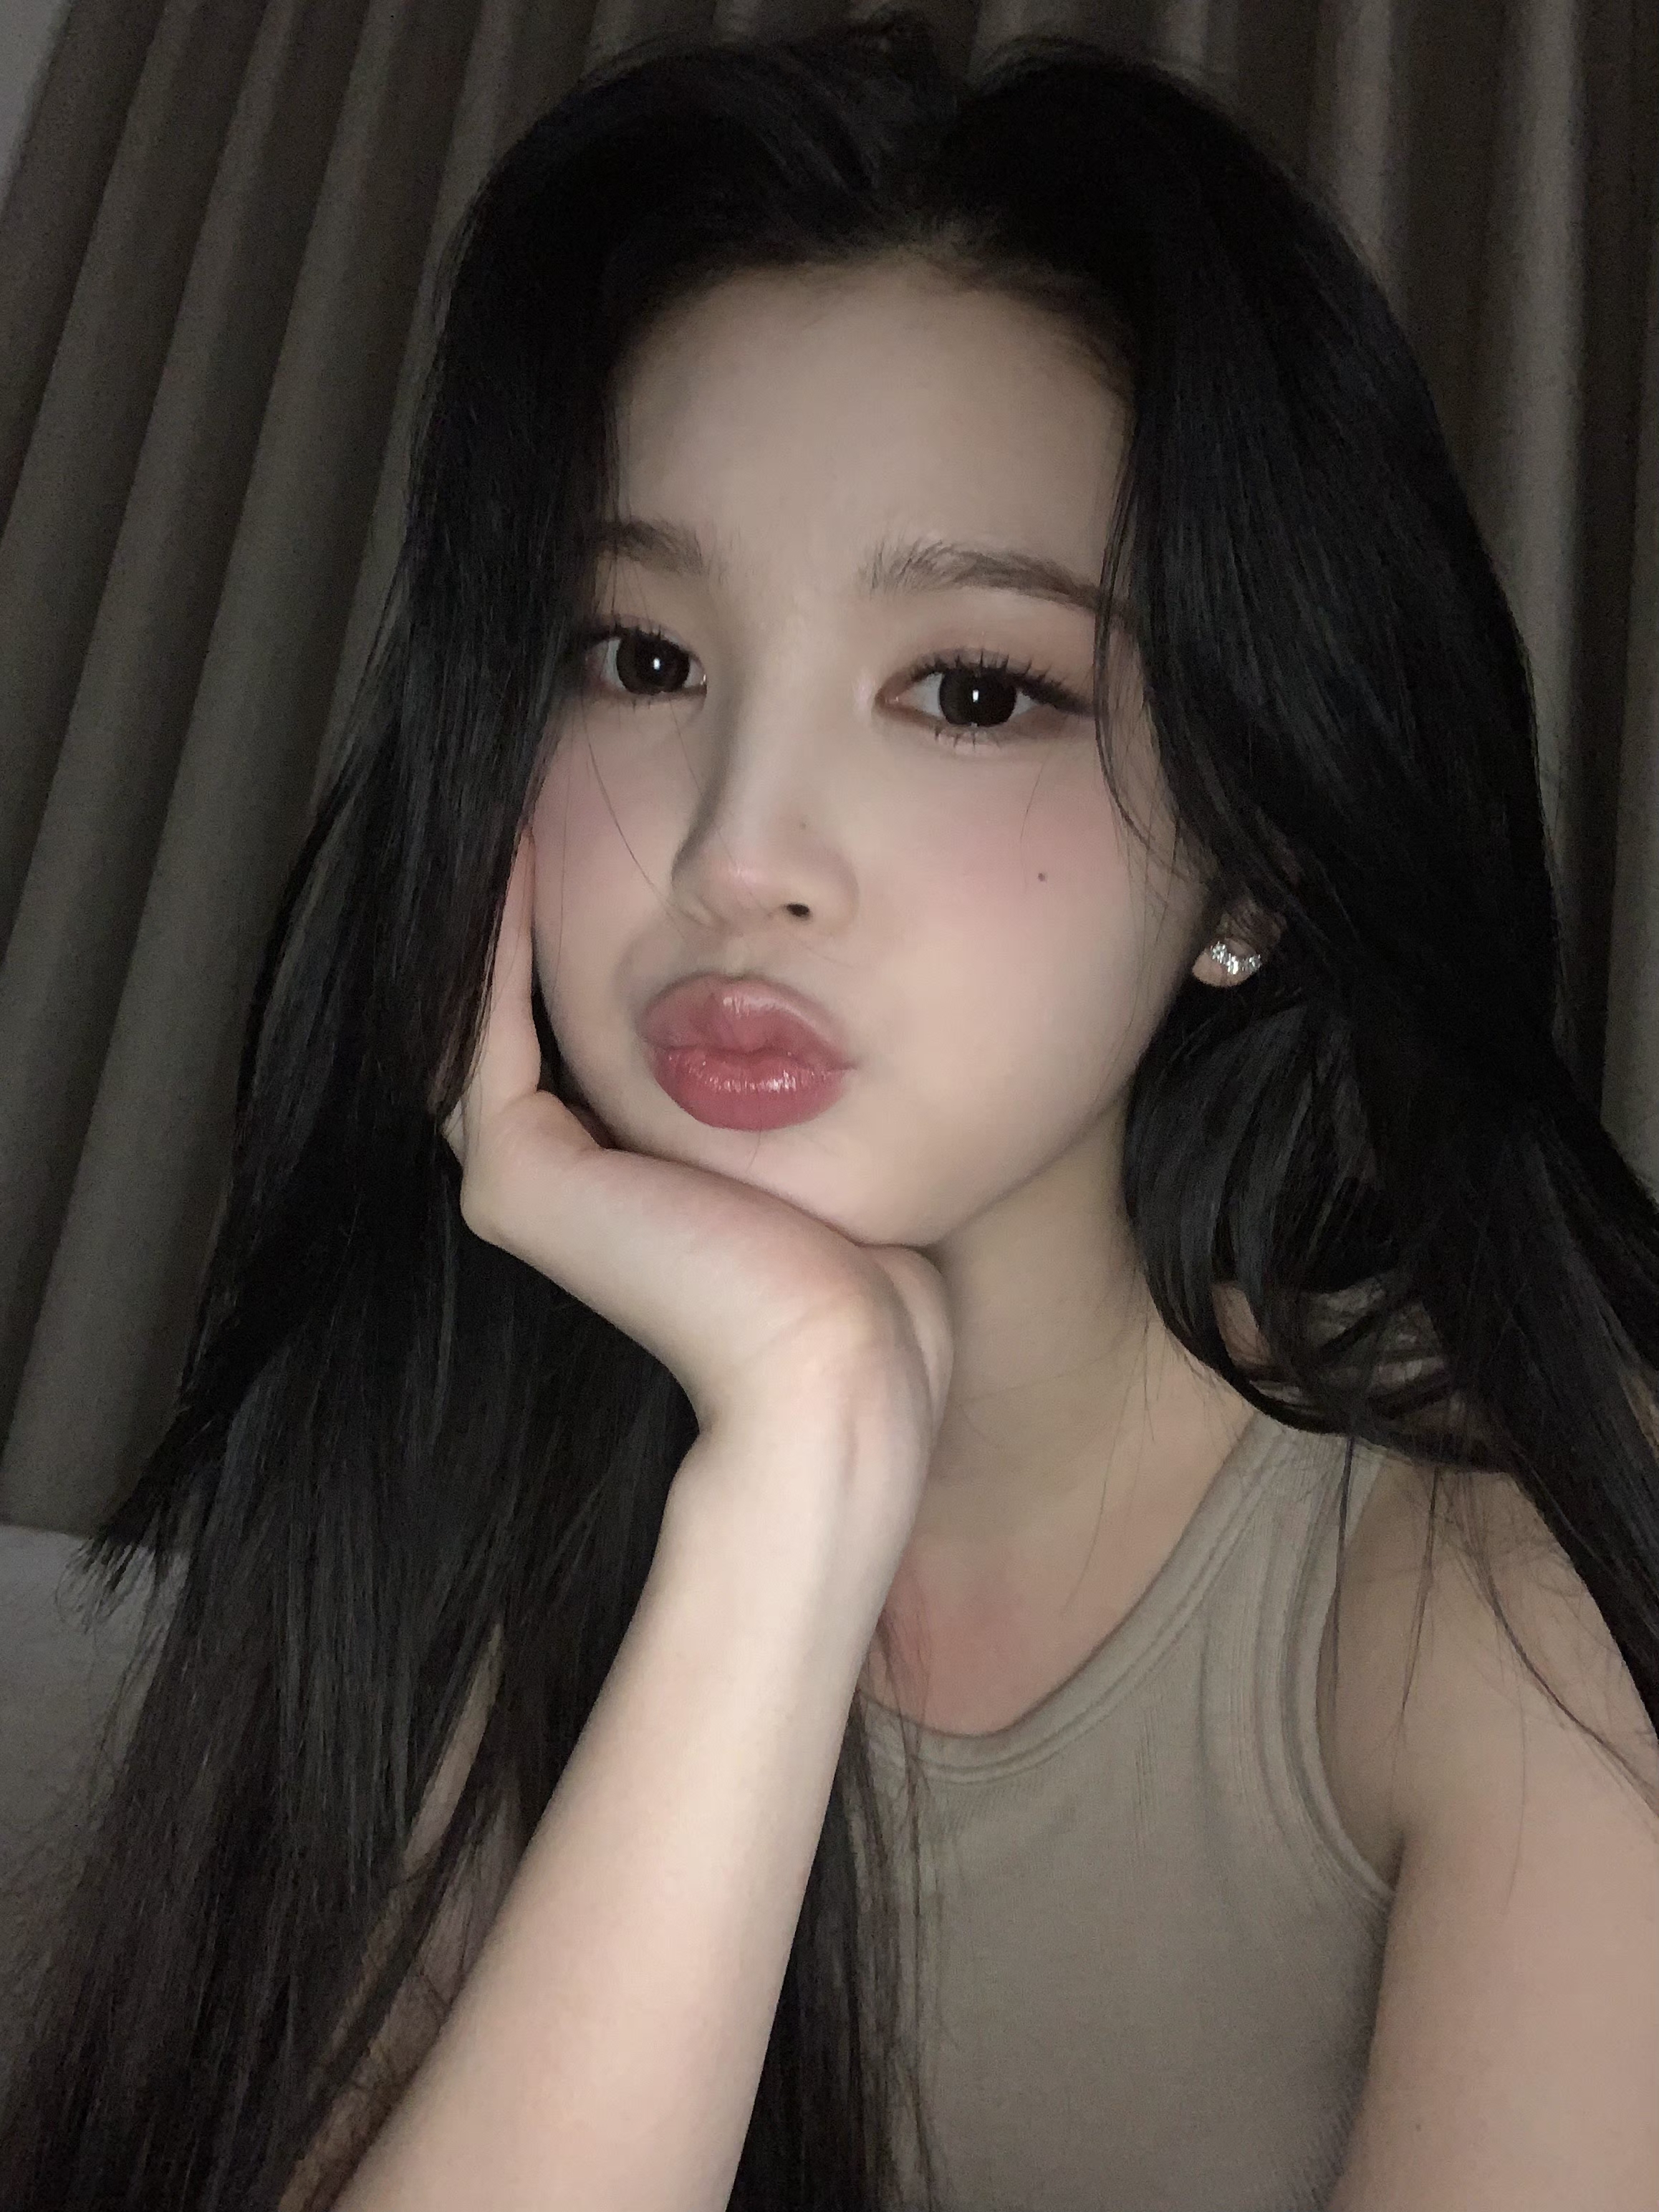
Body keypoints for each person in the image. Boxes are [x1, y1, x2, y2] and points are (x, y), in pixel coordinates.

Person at [4, 11, 1657, 2209]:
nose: (738, 851)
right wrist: (802, 1462)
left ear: (1254, 862)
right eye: (639, 658)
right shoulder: (471, 1479)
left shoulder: (1506, 1583)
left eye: (970, 690)